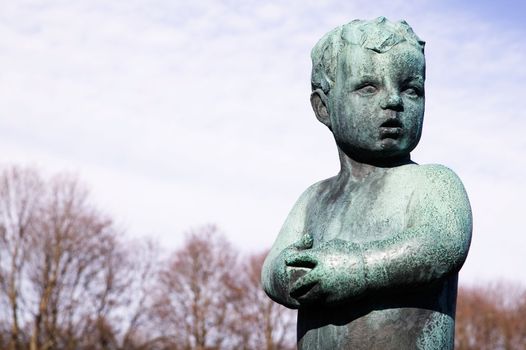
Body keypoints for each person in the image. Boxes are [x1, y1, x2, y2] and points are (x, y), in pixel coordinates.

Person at [261, 17, 472, 349]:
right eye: (369, 87)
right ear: (323, 106)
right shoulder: (314, 198)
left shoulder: (433, 182)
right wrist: (286, 275)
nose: (393, 101)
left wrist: (358, 268)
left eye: (411, 89)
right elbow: (271, 269)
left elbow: (442, 245)